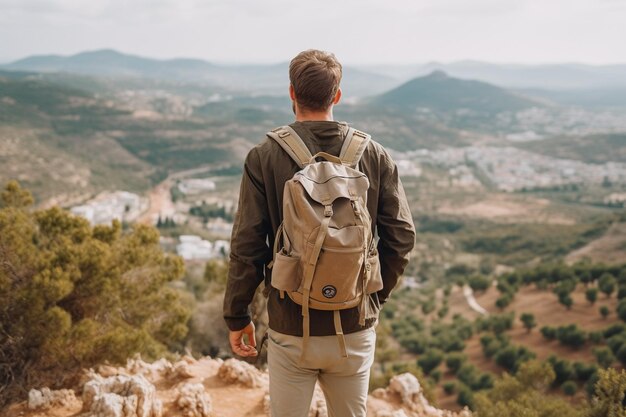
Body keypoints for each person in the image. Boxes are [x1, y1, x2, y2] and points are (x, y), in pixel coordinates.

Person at [223, 49, 416, 417]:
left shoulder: (264, 156)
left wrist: (237, 315)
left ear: (292, 93)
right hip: (354, 324)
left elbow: (247, 244)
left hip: (291, 325)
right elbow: (402, 236)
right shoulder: (373, 155)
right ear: (337, 96)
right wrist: (370, 294)